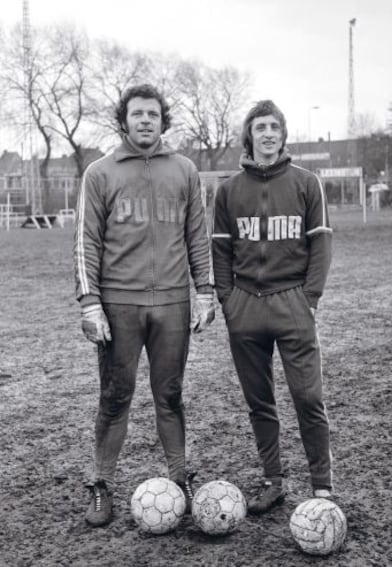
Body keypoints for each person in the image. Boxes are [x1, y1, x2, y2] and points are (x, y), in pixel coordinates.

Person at [74, 83, 215, 527]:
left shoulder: (185, 170)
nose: (146, 121)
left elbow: (198, 236)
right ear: (124, 120)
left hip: (172, 304)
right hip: (118, 306)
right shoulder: (99, 173)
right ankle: (101, 483)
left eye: (153, 114)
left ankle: (180, 474)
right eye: (138, 114)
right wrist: (89, 303)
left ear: (162, 120)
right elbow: (85, 242)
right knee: (116, 397)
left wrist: (205, 291)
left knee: (169, 395)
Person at [212, 100, 333, 514]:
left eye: (274, 127)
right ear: (249, 135)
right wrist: (229, 301)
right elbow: (221, 251)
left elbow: (321, 244)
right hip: (246, 308)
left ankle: (322, 487)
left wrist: (310, 298)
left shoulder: (306, 183)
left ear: (283, 134)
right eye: (260, 126)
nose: (267, 133)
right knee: (259, 401)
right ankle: (273, 479)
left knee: (307, 397)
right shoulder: (228, 190)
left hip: (293, 303)